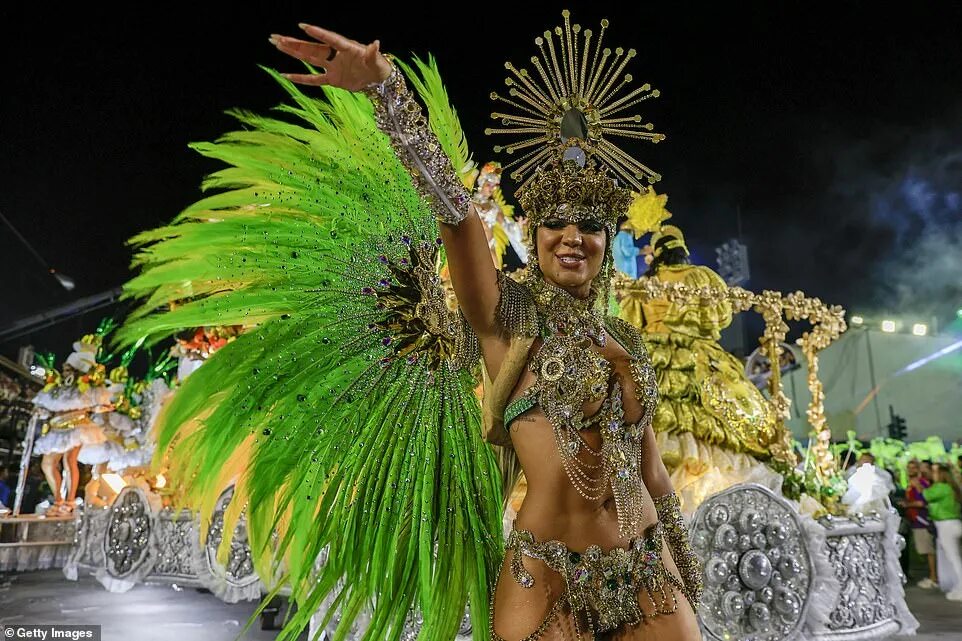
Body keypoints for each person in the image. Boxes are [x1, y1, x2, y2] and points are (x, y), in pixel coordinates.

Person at [119, 13, 702, 641]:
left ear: (605, 242)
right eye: (555, 221)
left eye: (589, 224)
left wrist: (687, 575)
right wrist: (387, 92)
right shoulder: (507, 316)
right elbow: (455, 217)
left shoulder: (629, 343)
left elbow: (653, 473)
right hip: (547, 568)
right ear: (532, 238)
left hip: (645, 564)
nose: (572, 236)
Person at [615, 223, 792, 508]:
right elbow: (720, 316)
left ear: (656, 254)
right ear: (682, 251)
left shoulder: (644, 286)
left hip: (652, 355)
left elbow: (629, 324)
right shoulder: (700, 277)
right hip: (697, 353)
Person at [923, 464, 962, 601]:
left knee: (953, 559)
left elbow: (926, 495)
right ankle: (956, 585)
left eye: (934, 472)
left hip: (946, 525)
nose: (932, 474)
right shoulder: (952, 487)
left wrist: (920, 485)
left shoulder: (941, 487)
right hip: (953, 524)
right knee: (953, 557)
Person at [902, 459, 938, 588]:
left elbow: (923, 502)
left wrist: (906, 504)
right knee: (923, 549)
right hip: (915, 520)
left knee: (928, 550)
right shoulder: (910, 483)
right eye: (909, 467)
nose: (911, 470)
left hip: (922, 520)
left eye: (914, 468)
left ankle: (933, 577)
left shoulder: (920, 483)